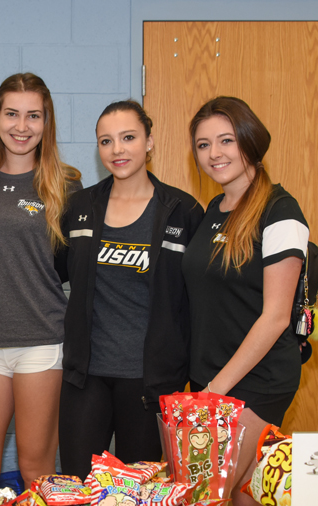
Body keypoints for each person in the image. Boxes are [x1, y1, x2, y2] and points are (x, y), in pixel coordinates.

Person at [55, 100, 204, 478]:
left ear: (150, 141)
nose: (117, 150)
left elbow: (202, 296)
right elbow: (48, 274)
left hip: (151, 381)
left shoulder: (181, 212)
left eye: (128, 138)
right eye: (106, 141)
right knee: (79, 487)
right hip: (85, 376)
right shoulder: (79, 207)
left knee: (141, 495)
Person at [182, 96, 309, 506]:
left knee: (204, 504)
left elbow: (275, 316)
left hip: (256, 380)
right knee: (245, 496)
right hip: (212, 377)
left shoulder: (280, 212)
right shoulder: (213, 212)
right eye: (203, 145)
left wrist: (214, 391)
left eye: (226, 140)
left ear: (249, 142)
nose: (214, 154)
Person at [0, 72, 81, 497]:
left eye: (33, 116)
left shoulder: (64, 183)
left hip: (40, 342)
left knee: (36, 471)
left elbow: (66, 267)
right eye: (12, 114)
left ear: (47, 123)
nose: (21, 126)